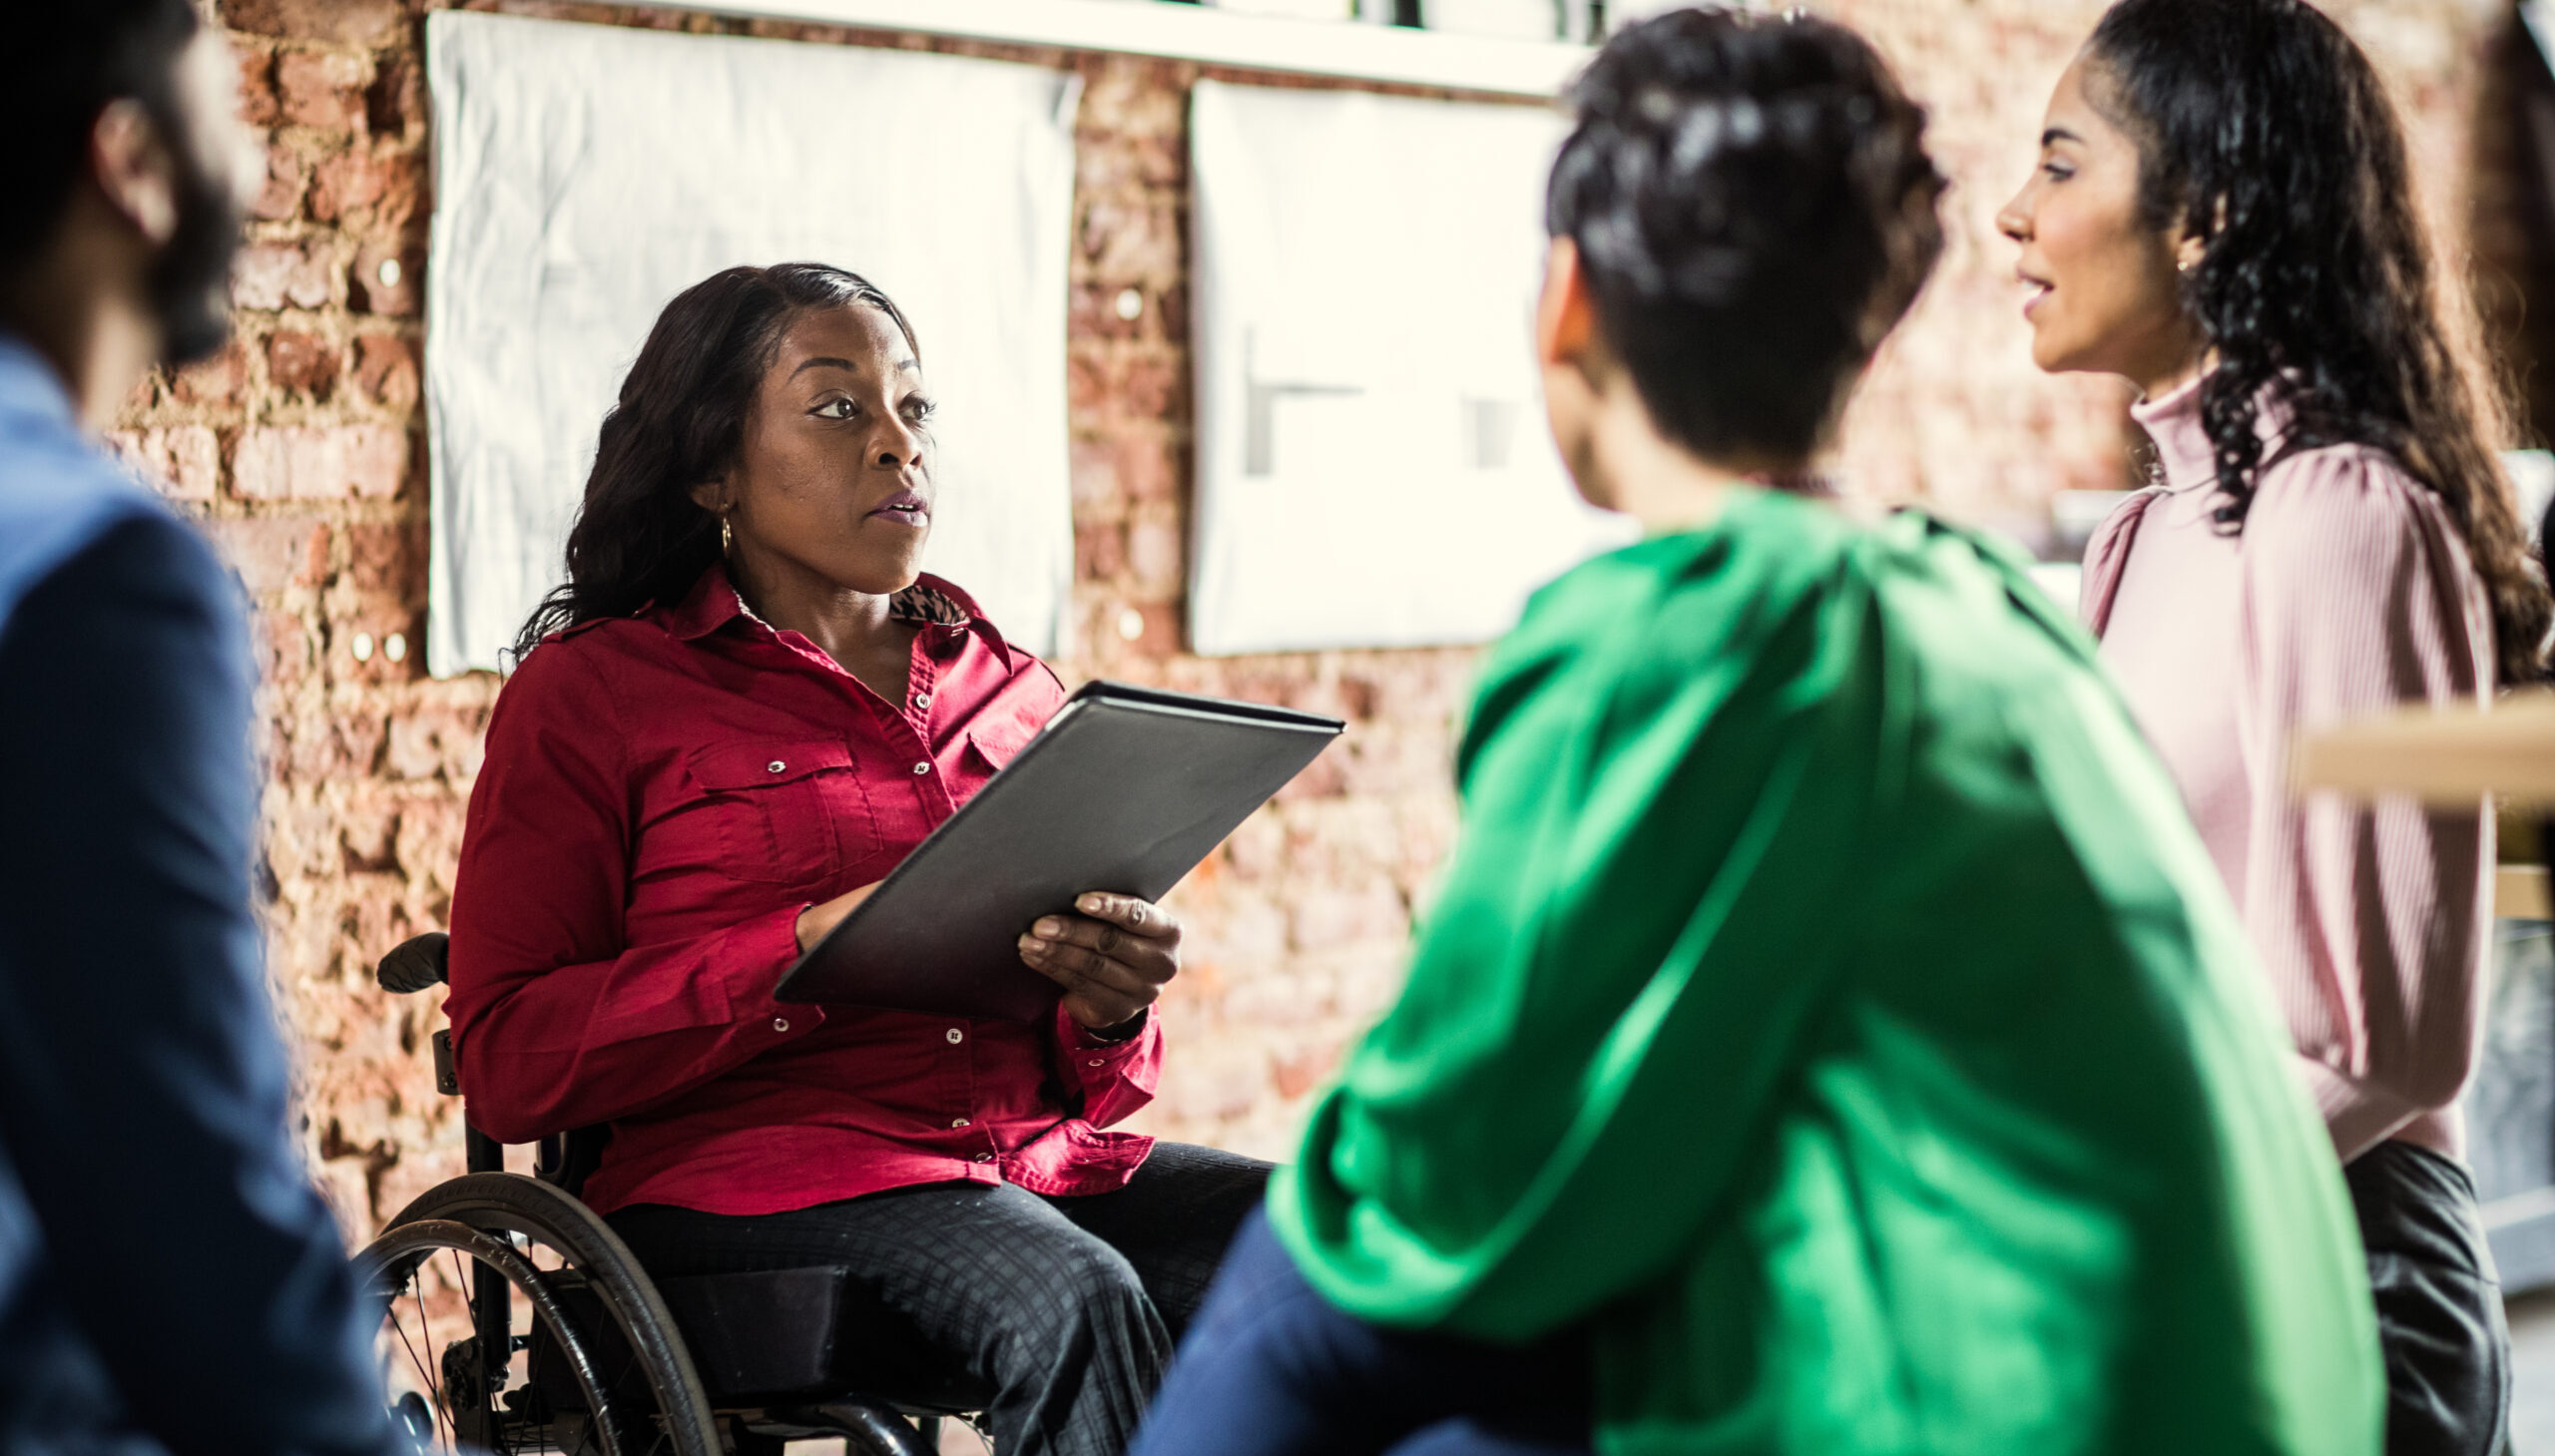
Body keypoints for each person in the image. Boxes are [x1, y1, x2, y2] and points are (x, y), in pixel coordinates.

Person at [1129, 10, 2380, 1456]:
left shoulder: (1696, 627)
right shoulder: (1977, 601)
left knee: (1322, 1285)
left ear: (1568, 305)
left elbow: (1436, 1172)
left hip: (2022, 1409)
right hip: (2259, 1395)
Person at [441, 262, 1270, 1456]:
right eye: (839, 408)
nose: (897, 446)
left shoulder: (1012, 689)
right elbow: (510, 1062)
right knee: (1071, 1298)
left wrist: (1104, 1008)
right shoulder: (594, 695)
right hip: (751, 1189)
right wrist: (794, 950)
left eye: (913, 409)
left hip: (1016, 1165)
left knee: (1328, 1252)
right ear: (710, 468)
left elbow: (1097, 1083)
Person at [1996, 1, 2546, 1448]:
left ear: (2207, 214)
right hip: (2187, 1234)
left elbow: (2384, 1052)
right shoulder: (2138, 535)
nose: (2012, 213)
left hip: (2342, 1274)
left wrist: (2097, 1200)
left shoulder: (2340, 515)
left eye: (2059, 164)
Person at [0, 4, 401, 1453]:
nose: (254, 165)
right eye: (226, 117)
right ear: (132, 166)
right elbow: (174, 1176)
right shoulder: (90, 574)